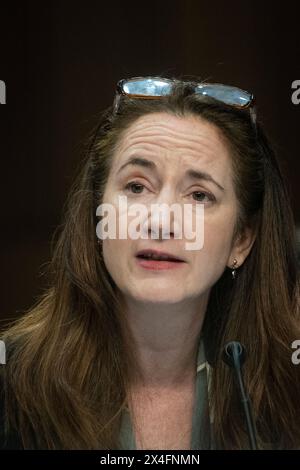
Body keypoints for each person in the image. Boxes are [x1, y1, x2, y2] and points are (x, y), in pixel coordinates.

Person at [0, 76, 299, 450]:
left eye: (200, 195)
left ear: (241, 239)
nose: (160, 221)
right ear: (99, 216)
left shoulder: (287, 395)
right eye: (136, 187)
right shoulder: (12, 384)